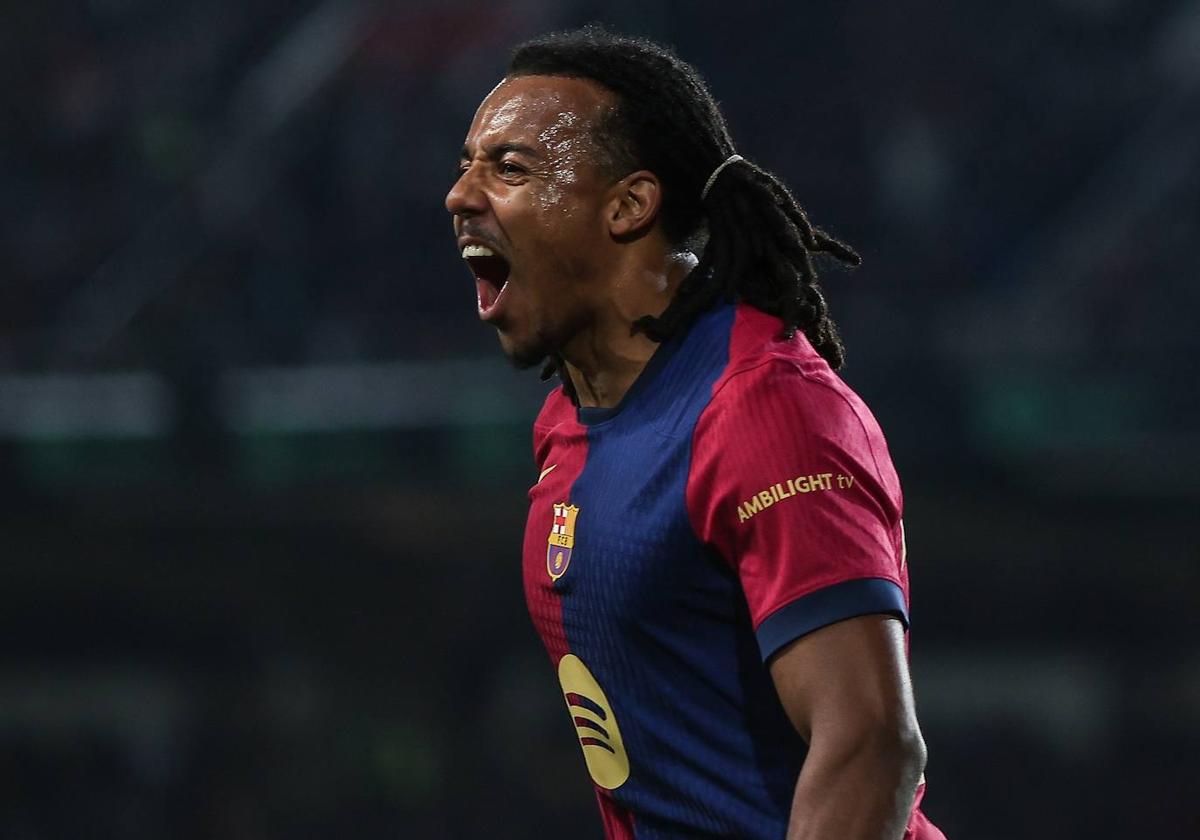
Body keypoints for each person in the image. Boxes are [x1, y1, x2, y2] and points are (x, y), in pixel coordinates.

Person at [445, 25, 946, 840]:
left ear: (629, 205)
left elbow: (871, 745)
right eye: (467, 162)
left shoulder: (765, 411)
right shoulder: (569, 419)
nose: (461, 194)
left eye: (510, 167)